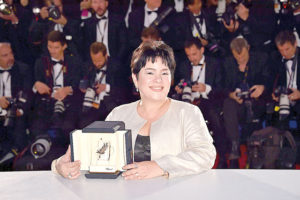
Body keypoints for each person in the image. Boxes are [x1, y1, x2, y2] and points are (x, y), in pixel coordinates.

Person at [51, 40, 216, 180]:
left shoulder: (187, 112)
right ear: (136, 79)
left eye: (164, 73)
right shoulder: (119, 114)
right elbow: (95, 157)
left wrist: (159, 167)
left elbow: (205, 154)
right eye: (150, 72)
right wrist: (60, 166)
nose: (158, 80)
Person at [174, 38, 227, 168]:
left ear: (202, 50)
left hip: (208, 100)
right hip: (188, 102)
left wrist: (206, 88)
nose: (192, 58)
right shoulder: (183, 65)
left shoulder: (215, 64)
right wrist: (179, 88)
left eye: (194, 54)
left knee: (214, 117)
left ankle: (223, 157)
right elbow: (178, 84)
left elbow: (223, 89)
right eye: (188, 55)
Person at [223, 37, 269, 168]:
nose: (240, 60)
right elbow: (221, 86)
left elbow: (269, 81)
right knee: (228, 103)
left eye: (243, 56)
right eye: (237, 57)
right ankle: (234, 149)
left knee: (253, 107)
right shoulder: (228, 63)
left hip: (256, 101)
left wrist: (262, 87)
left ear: (248, 48)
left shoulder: (261, 59)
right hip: (237, 103)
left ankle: (253, 152)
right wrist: (231, 94)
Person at [30, 30, 81, 144]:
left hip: (68, 103)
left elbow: (80, 85)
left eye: (56, 47)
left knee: (68, 128)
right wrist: (36, 85)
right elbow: (33, 87)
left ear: (64, 46)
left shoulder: (74, 62)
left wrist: (69, 89)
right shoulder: (40, 62)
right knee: (36, 127)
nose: (52, 51)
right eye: (50, 47)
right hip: (47, 102)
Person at [78, 42, 128, 128]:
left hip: (111, 101)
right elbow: (83, 81)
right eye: (94, 61)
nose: (97, 64)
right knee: (84, 124)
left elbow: (124, 89)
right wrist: (84, 87)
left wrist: (106, 87)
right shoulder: (88, 66)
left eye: (99, 61)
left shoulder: (117, 67)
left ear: (106, 56)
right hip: (93, 102)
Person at [0, 42, 32, 164]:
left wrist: (20, 110)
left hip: (16, 113)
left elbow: (28, 94)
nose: (10, 58)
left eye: (11, 53)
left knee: (19, 139)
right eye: (5, 55)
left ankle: (7, 163)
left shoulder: (23, 69)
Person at [270, 30, 300, 130]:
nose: (284, 53)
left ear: (295, 44)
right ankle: (280, 144)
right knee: (272, 114)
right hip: (284, 99)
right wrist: (274, 93)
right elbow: (271, 80)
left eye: (287, 49)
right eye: (281, 50)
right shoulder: (275, 59)